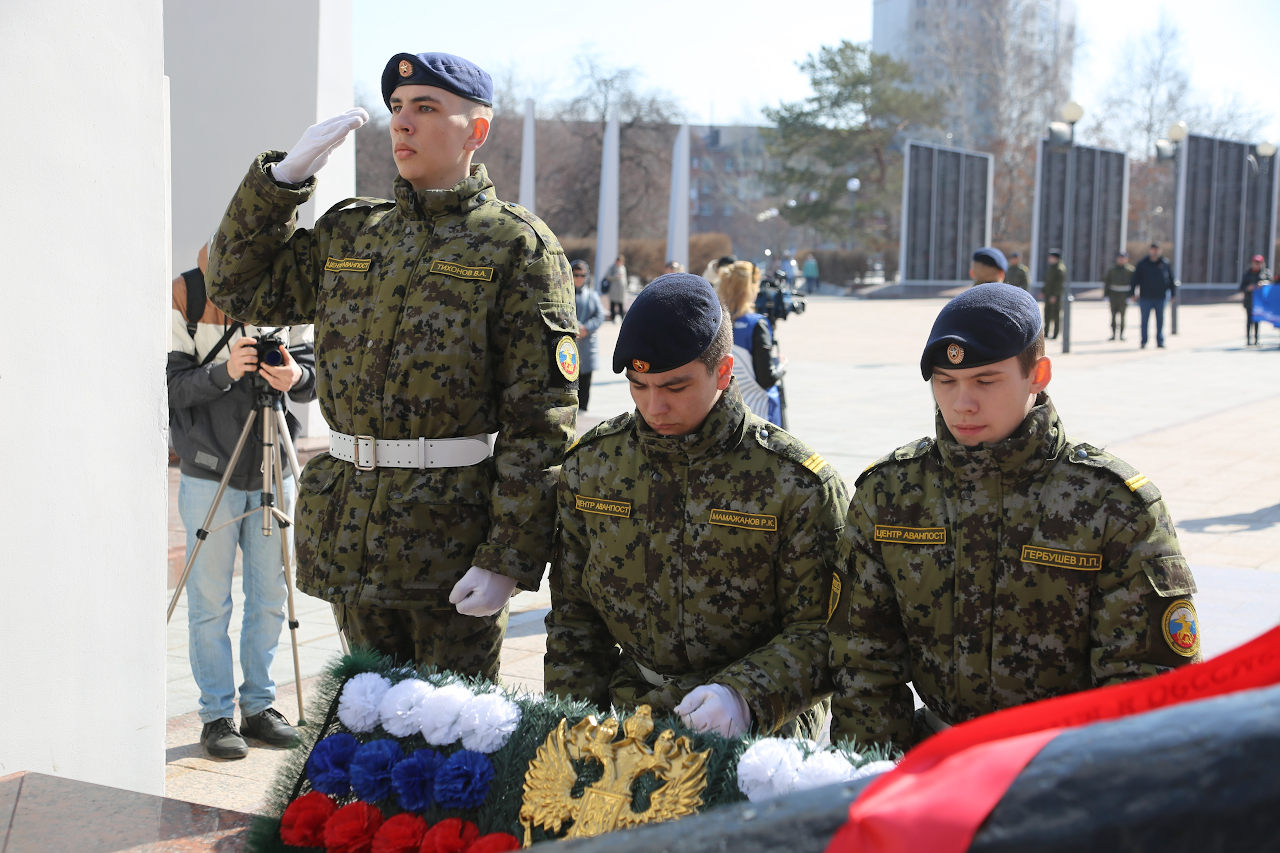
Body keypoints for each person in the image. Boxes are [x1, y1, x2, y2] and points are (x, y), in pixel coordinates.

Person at [206, 51, 577, 680]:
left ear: (475, 131)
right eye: (397, 108)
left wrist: (507, 557)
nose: (401, 123)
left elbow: (541, 420)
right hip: (354, 533)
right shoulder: (353, 232)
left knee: (452, 731)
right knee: (365, 721)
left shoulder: (516, 245)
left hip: (451, 543)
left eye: (425, 108)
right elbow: (237, 287)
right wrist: (280, 184)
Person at [829, 284, 1201, 751]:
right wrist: (873, 774)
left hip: (1063, 766)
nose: (962, 403)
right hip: (931, 762)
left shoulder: (1113, 505)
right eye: (945, 381)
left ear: (1037, 375)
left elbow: (1147, 685)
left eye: (985, 381)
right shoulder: (890, 493)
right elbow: (862, 662)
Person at [544, 274, 848, 738]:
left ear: (723, 372)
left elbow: (825, 631)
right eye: (638, 386)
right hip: (630, 708)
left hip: (759, 723)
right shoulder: (595, 464)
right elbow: (575, 617)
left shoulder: (797, 484)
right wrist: (569, 726)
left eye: (675, 387)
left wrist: (744, 696)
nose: (654, 407)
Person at [169, 242, 317, 758]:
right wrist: (225, 371)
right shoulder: (189, 292)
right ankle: (216, 716)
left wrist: (296, 376)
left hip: (274, 463)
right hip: (210, 469)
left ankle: (259, 706)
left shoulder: (291, 293)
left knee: (271, 595)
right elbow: (171, 388)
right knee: (210, 602)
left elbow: (312, 379)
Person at [717, 261, 784, 425]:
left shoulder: (715, 322)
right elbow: (766, 378)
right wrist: (782, 365)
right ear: (750, 288)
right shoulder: (756, 324)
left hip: (724, 415)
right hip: (758, 415)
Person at [1129, 242, 1176, 349]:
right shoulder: (1142, 263)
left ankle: (1160, 341)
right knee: (1144, 321)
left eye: (1157, 249)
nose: (1155, 251)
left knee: (1160, 320)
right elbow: (1134, 279)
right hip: (1145, 297)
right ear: (1150, 250)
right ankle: (1144, 341)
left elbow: (1171, 279)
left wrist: (1173, 294)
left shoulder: (1165, 263)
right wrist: (1132, 293)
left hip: (1161, 297)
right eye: (1153, 249)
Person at [572, 260, 605, 411]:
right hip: (569, 345)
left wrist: (586, 328)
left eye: (582, 275)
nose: (579, 278)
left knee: (585, 383)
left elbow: (600, 316)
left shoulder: (592, 295)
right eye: (576, 275)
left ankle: (583, 412)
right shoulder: (564, 294)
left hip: (586, 346)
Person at [1104, 251, 1134, 341]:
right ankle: (1113, 334)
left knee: (1122, 315)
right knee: (1113, 315)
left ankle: (1121, 334)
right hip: (1114, 295)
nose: (1121, 260)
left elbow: (1133, 283)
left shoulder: (1130, 270)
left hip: (1124, 295)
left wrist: (1131, 295)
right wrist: (1106, 295)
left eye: (1123, 258)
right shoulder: (1112, 270)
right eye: (1120, 258)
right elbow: (1107, 283)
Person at [1240, 254, 1269, 346]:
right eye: (1255, 263)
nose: (1257, 265)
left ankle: (1256, 339)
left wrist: (1263, 283)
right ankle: (1248, 340)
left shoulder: (1265, 274)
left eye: (1259, 263)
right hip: (1249, 301)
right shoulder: (1247, 274)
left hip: (1259, 302)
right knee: (1249, 320)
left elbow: (1271, 284)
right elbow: (1241, 287)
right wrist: (1248, 288)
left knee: (1257, 320)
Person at [1042, 249, 1066, 339]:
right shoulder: (1051, 268)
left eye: (1051, 257)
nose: (1049, 259)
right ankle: (1046, 332)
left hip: (1055, 296)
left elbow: (1059, 285)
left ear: (1056, 258)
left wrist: (1054, 296)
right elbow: (1047, 282)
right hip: (1048, 294)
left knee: (1055, 314)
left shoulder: (1059, 269)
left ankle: (1055, 333)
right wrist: (1043, 291)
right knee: (1047, 313)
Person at [604, 254, 628, 321]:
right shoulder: (612, 267)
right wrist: (616, 276)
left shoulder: (623, 268)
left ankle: (622, 318)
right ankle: (613, 318)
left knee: (621, 304)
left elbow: (625, 278)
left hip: (621, 290)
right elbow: (608, 276)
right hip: (613, 289)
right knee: (613, 304)